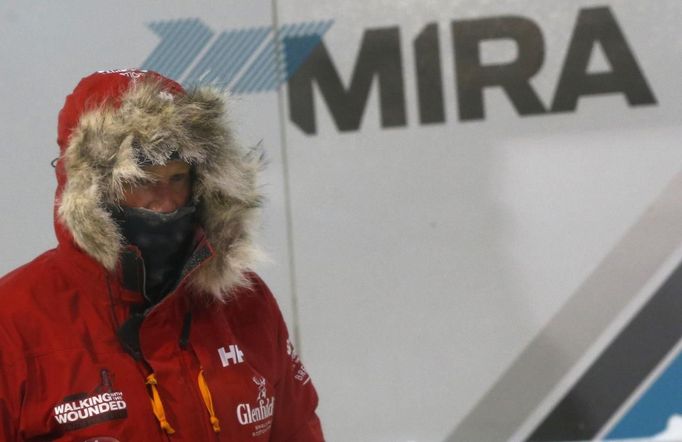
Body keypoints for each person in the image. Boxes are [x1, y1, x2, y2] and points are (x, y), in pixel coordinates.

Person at [0, 69, 324, 441]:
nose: (166, 202)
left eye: (177, 178)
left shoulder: (244, 302)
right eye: (141, 180)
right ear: (92, 191)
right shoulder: (12, 323)